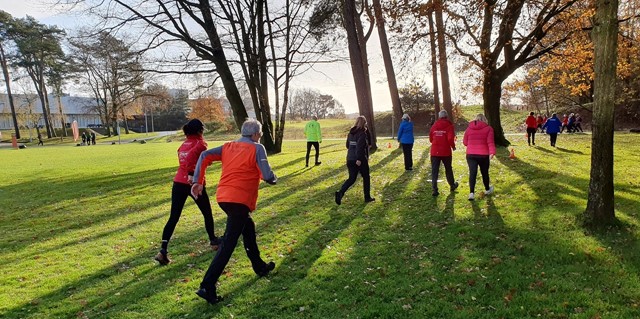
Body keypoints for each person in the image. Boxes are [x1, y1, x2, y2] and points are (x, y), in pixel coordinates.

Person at [191, 118, 277, 305]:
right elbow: (267, 175)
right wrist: (272, 179)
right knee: (228, 243)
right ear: (255, 134)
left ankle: (260, 267)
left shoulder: (228, 146)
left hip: (224, 197)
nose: (260, 137)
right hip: (239, 199)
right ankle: (207, 285)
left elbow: (204, 155)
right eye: (260, 134)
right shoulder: (257, 148)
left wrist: (197, 180)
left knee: (248, 227)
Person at [155, 119, 221, 266]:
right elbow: (193, 159)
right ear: (200, 130)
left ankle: (163, 250)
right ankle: (213, 241)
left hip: (178, 182)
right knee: (207, 212)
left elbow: (183, 157)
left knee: (174, 217)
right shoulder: (201, 143)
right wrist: (193, 173)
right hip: (193, 183)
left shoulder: (183, 144)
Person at [335, 116, 375, 205]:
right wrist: (359, 159)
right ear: (364, 124)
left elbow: (347, 146)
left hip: (350, 158)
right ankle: (367, 197)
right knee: (366, 177)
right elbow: (360, 147)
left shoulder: (350, 133)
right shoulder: (362, 133)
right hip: (359, 159)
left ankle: (340, 192)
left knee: (352, 178)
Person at [463, 114, 496, 201]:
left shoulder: (469, 128)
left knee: (472, 173)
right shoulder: (489, 129)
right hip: (483, 155)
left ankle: (471, 193)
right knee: (484, 173)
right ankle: (487, 189)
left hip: (470, 154)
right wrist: (492, 152)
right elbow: (490, 142)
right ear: (485, 120)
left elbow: (465, 142)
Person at [429, 110, 458, 196]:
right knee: (448, 168)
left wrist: (434, 142)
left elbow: (430, 138)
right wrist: (453, 146)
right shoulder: (449, 126)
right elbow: (450, 139)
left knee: (435, 170)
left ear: (439, 117)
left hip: (434, 151)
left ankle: (434, 189)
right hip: (445, 151)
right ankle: (452, 185)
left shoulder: (434, 125)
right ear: (447, 116)